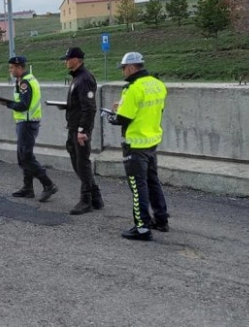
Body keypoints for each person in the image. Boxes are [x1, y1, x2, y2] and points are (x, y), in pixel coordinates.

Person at [107, 52, 169, 241]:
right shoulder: (158, 85)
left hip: (135, 144)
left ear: (132, 68)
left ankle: (142, 227)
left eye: (124, 68)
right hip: (152, 141)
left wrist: (112, 116)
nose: (123, 72)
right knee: (152, 181)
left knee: (137, 185)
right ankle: (161, 219)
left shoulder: (133, 88)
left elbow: (124, 118)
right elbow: (156, 110)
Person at [0, 55, 58, 199]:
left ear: (19, 67)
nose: (10, 70)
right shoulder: (26, 80)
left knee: (26, 157)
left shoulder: (25, 82)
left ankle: (48, 185)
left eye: (12, 68)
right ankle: (28, 188)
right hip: (26, 122)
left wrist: (8, 104)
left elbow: (24, 105)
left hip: (27, 123)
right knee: (24, 156)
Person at [58, 47, 103, 214]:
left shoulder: (84, 79)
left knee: (82, 162)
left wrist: (83, 130)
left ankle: (86, 200)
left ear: (77, 60)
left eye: (68, 59)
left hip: (80, 128)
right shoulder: (77, 78)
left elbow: (89, 107)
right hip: (74, 126)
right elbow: (79, 103)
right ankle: (96, 196)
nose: (66, 61)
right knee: (77, 160)